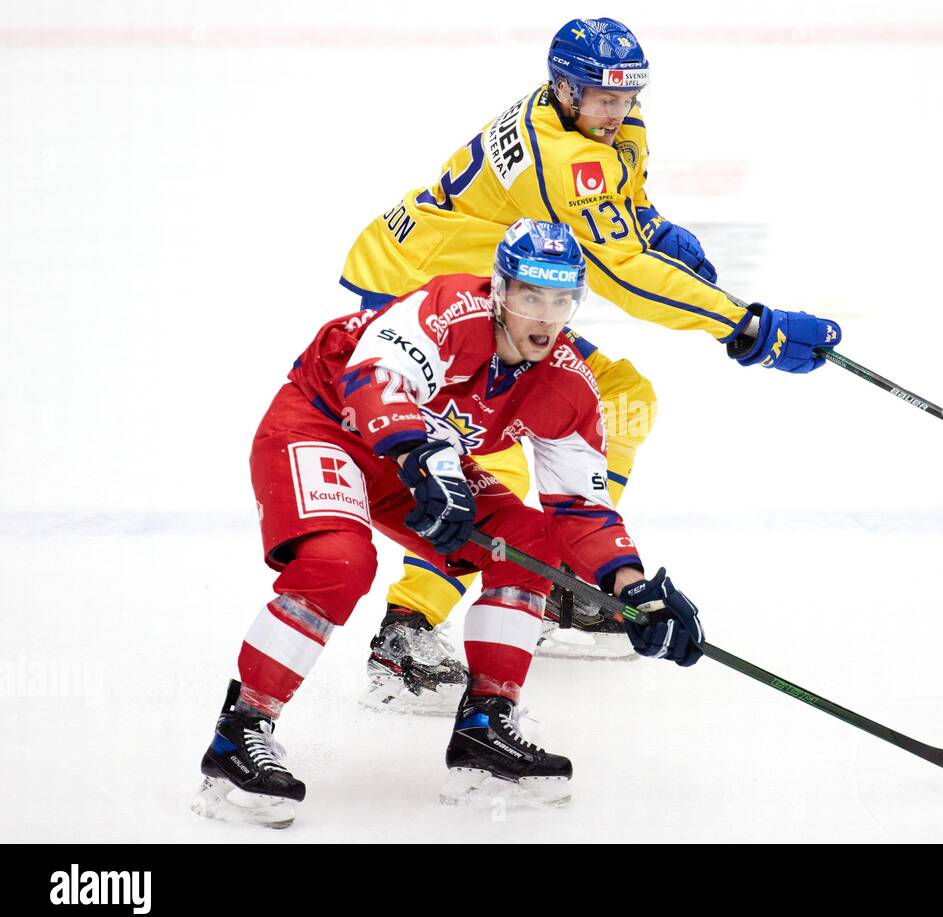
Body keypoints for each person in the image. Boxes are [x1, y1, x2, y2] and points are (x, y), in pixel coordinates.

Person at [343, 17, 841, 704]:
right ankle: (405, 631)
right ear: (564, 87)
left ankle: (568, 588)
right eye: (603, 97)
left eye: (627, 95)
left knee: (620, 397)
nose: (618, 111)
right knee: (489, 460)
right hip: (422, 297)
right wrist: (745, 325)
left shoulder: (595, 123)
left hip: (493, 293)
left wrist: (653, 225)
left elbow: (620, 213)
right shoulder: (559, 156)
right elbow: (624, 278)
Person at [192, 219, 704, 828]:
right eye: (529, 296)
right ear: (499, 290)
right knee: (339, 562)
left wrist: (632, 590)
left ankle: (487, 725)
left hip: (418, 461)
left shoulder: (566, 384)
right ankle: (241, 731)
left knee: (529, 542)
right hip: (326, 422)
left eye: (561, 299)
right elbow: (370, 379)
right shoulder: (450, 307)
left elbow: (581, 509)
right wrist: (421, 460)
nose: (544, 317)